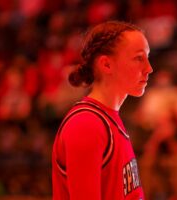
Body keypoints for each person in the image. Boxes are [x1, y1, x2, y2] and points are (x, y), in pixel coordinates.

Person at [52, 21, 153, 200]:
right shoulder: (86, 123)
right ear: (106, 65)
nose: (149, 68)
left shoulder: (107, 118)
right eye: (139, 58)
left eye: (147, 58)